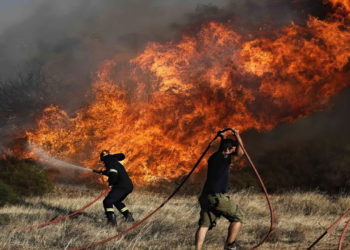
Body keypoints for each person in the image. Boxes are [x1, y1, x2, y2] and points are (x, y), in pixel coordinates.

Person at [195, 129, 245, 250]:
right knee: (238, 217)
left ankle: (197, 249)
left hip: (206, 196)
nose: (234, 151)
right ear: (228, 150)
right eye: (233, 149)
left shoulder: (214, 157)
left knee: (204, 225)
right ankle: (230, 246)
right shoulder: (224, 157)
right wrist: (237, 136)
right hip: (217, 197)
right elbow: (241, 152)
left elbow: (223, 149)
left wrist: (222, 138)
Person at [93, 150, 135, 225]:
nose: (103, 162)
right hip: (128, 186)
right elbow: (113, 171)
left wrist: (111, 184)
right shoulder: (114, 161)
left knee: (107, 201)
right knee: (117, 201)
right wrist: (102, 172)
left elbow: (113, 173)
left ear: (103, 157)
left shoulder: (108, 160)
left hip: (121, 186)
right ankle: (129, 217)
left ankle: (111, 222)